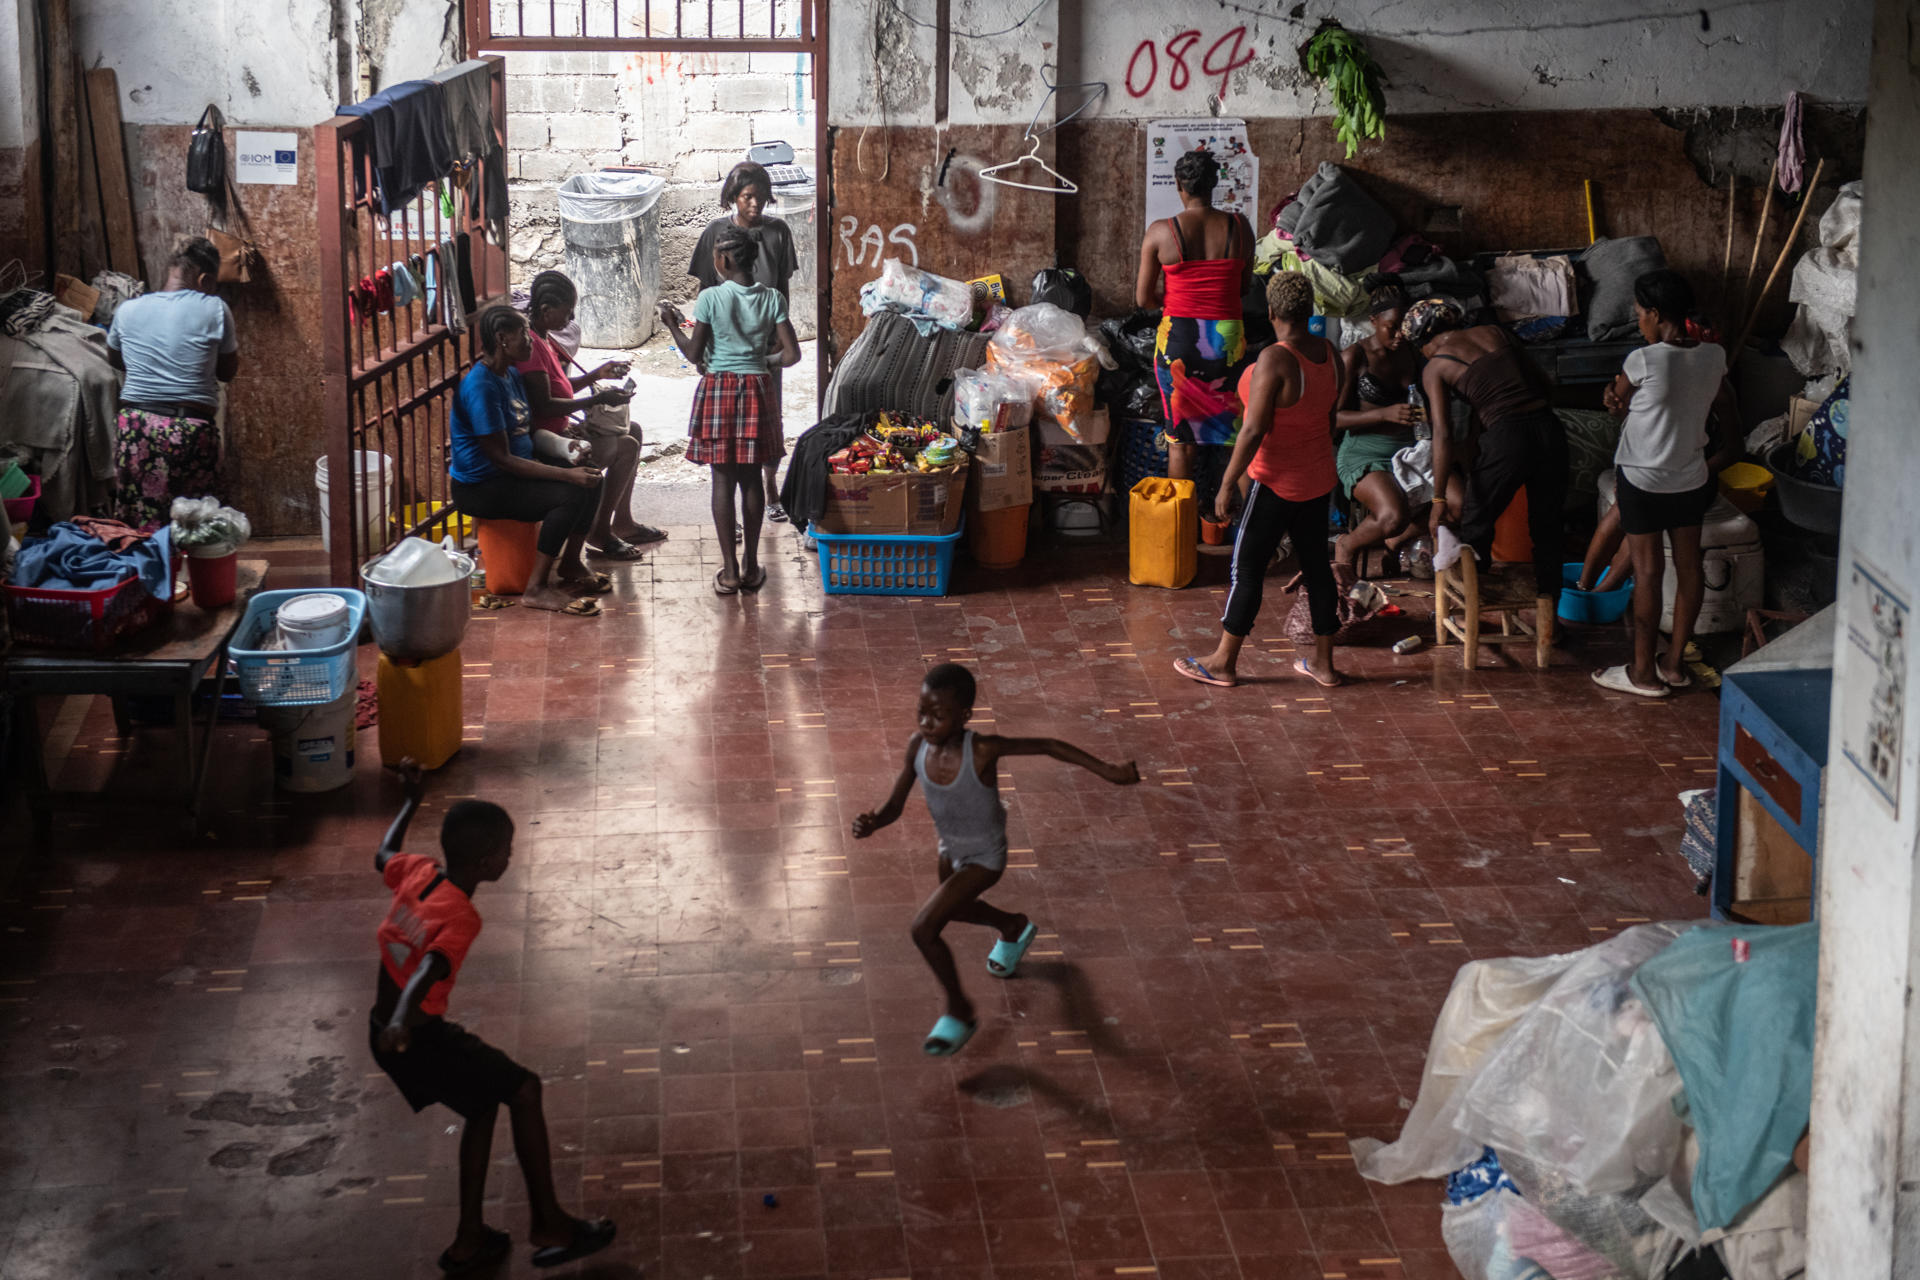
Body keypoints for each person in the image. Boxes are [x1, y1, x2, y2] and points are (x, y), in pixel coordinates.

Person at [369, 760, 616, 1273]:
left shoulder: (418, 873)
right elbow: (432, 968)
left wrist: (411, 803)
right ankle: (549, 1222)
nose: (511, 855)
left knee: (482, 1105)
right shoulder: (460, 915)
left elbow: (383, 854)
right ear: (485, 862)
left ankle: (468, 1241)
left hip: (388, 1028)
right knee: (524, 1090)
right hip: (414, 1036)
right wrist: (402, 1018)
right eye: (507, 848)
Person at [851, 663, 1139, 1056]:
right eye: (921, 712)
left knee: (924, 928)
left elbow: (1049, 746)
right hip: (949, 850)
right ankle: (1012, 926)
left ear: (965, 716)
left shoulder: (982, 750)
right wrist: (874, 823)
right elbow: (894, 807)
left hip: (985, 857)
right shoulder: (917, 748)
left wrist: (1108, 770)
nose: (927, 723)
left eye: (938, 715)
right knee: (956, 910)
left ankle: (960, 1010)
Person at [1174, 272, 1346, 690]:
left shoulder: (1275, 359)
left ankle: (1222, 662)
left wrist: (1228, 482)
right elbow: (1327, 418)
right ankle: (1323, 665)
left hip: (1274, 482)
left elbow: (1252, 430)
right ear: (1309, 312)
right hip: (1318, 476)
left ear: (1270, 312)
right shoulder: (1329, 353)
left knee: (1245, 568)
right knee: (1317, 569)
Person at [1591, 270, 1738, 697]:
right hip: (1691, 478)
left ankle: (1642, 673)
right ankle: (1673, 665)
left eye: (1640, 314)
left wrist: (1614, 403)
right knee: (1689, 567)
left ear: (1655, 314)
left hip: (1642, 480)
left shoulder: (1644, 359)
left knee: (1649, 571)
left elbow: (1620, 407)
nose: (1639, 322)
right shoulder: (1714, 356)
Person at [659, 223, 801, 596]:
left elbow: (693, 354)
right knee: (751, 479)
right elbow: (791, 354)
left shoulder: (709, 299)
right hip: (756, 390)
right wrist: (763, 361)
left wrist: (672, 325)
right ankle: (753, 566)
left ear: (723, 261)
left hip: (719, 389)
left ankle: (730, 571)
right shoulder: (772, 298)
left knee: (722, 481)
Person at [1407, 297, 1569, 612]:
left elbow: (1442, 433)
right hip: (1550, 428)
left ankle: (1474, 606)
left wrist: (1438, 498)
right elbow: (1543, 383)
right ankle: (1552, 614)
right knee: (1547, 528)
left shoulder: (1435, 366)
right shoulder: (1495, 332)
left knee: (1477, 519)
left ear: (1424, 342)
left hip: (1509, 436)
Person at [448, 305, 605, 617]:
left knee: (591, 476)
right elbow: (503, 460)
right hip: (483, 486)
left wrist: (565, 447)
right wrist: (566, 476)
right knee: (570, 493)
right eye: (523, 334)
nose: (531, 341)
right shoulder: (481, 387)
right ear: (502, 338)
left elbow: (528, 431)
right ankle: (536, 588)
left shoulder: (509, 375)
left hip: (513, 471)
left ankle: (571, 562)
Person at [518, 270, 667, 558]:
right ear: (546, 311)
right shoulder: (533, 347)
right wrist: (596, 399)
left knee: (633, 430)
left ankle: (622, 521)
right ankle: (600, 530)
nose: (571, 319)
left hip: (560, 430)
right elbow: (545, 405)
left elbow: (558, 388)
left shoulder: (545, 339)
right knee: (626, 446)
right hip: (548, 441)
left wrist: (597, 375)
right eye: (567, 312)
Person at [689, 161, 801, 525]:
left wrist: (775, 348)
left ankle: (771, 489)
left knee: (767, 423)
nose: (755, 205)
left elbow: (781, 290)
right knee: (727, 431)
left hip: (766, 346)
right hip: (722, 348)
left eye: (762, 198)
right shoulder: (714, 234)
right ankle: (735, 514)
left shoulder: (779, 232)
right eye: (747, 197)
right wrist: (704, 349)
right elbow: (706, 290)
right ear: (733, 198)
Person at [1135, 148, 1255, 483]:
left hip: (1179, 341)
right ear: (1214, 183)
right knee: (1236, 439)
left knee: (1180, 443)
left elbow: (1143, 298)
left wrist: (1172, 300)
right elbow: (1243, 289)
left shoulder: (1161, 232)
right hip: (1227, 341)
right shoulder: (1240, 227)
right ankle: (1242, 526)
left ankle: (1180, 531)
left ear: (1179, 185)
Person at [105, 237, 239, 529]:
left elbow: (115, 358)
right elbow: (227, 372)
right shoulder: (215, 308)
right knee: (197, 524)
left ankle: (147, 573)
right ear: (205, 279)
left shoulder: (128, 309)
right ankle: (192, 574)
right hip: (189, 431)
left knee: (139, 524)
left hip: (134, 428)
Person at [1334, 278, 1427, 581]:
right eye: (1392, 327)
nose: (1400, 335)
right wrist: (1386, 413)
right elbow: (1334, 419)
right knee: (1392, 516)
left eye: (1405, 327)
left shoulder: (1411, 352)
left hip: (1407, 449)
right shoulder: (1355, 356)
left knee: (1455, 504)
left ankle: (1396, 541)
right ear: (1373, 321)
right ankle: (1347, 545)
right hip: (1364, 452)